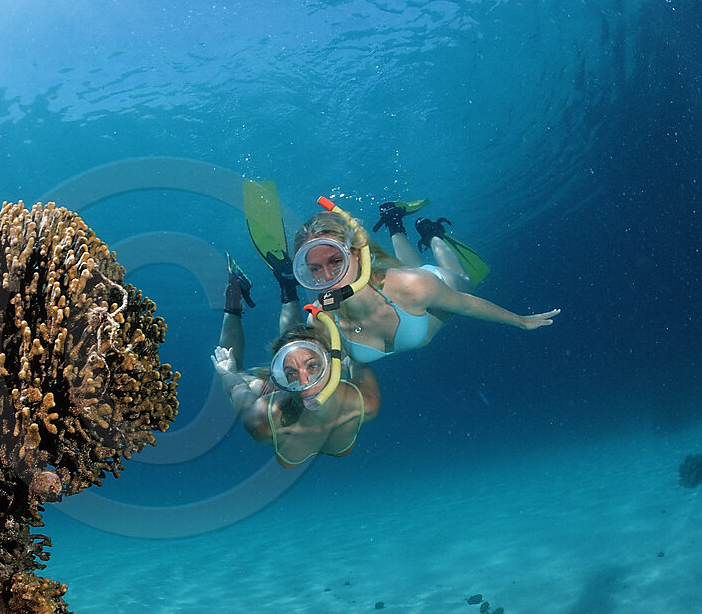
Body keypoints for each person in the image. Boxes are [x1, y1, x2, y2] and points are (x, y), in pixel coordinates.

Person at [291, 198, 560, 364]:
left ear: (358, 255)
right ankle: (394, 222)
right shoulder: (320, 319)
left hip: (437, 282)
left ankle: (432, 233)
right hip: (405, 282)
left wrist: (521, 321)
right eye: (315, 269)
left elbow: (465, 305)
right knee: (411, 269)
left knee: (463, 279)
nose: (328, 277)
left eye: (336, 261)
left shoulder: (415, 286)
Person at [211, 256, 380, 467]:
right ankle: (235, 296)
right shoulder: (263, 420)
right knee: (238, 370)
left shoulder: (367, 401)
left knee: (294, 348)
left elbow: (356, 358)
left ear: (331, 362)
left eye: (313, 366)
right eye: (290, 372)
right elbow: (236, 388)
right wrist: (228, 373)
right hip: (278, 396)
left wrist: (346, 357)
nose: (303, 381)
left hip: (299, 391)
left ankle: (287, 285)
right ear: (280, 376)